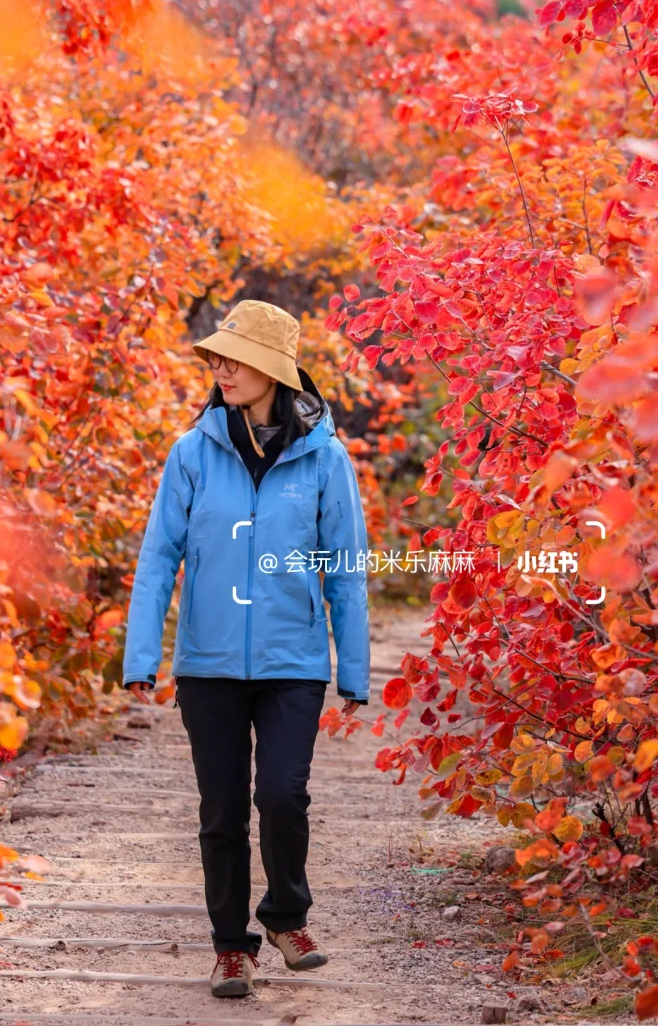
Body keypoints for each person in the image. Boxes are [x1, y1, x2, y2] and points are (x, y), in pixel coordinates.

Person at [122, 298, 371, 999]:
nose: (222, 369)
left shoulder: (327, 459)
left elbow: (345, 572)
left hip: (294, 663)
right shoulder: (191, 452)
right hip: (208, 665)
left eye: (236, 358)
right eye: (219, 358)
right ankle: (233, 947)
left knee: (284, 796)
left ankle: (287, 917)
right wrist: (141, 659)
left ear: (274, 371)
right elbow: (157, 560)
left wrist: (352, 675)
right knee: (222, 808)